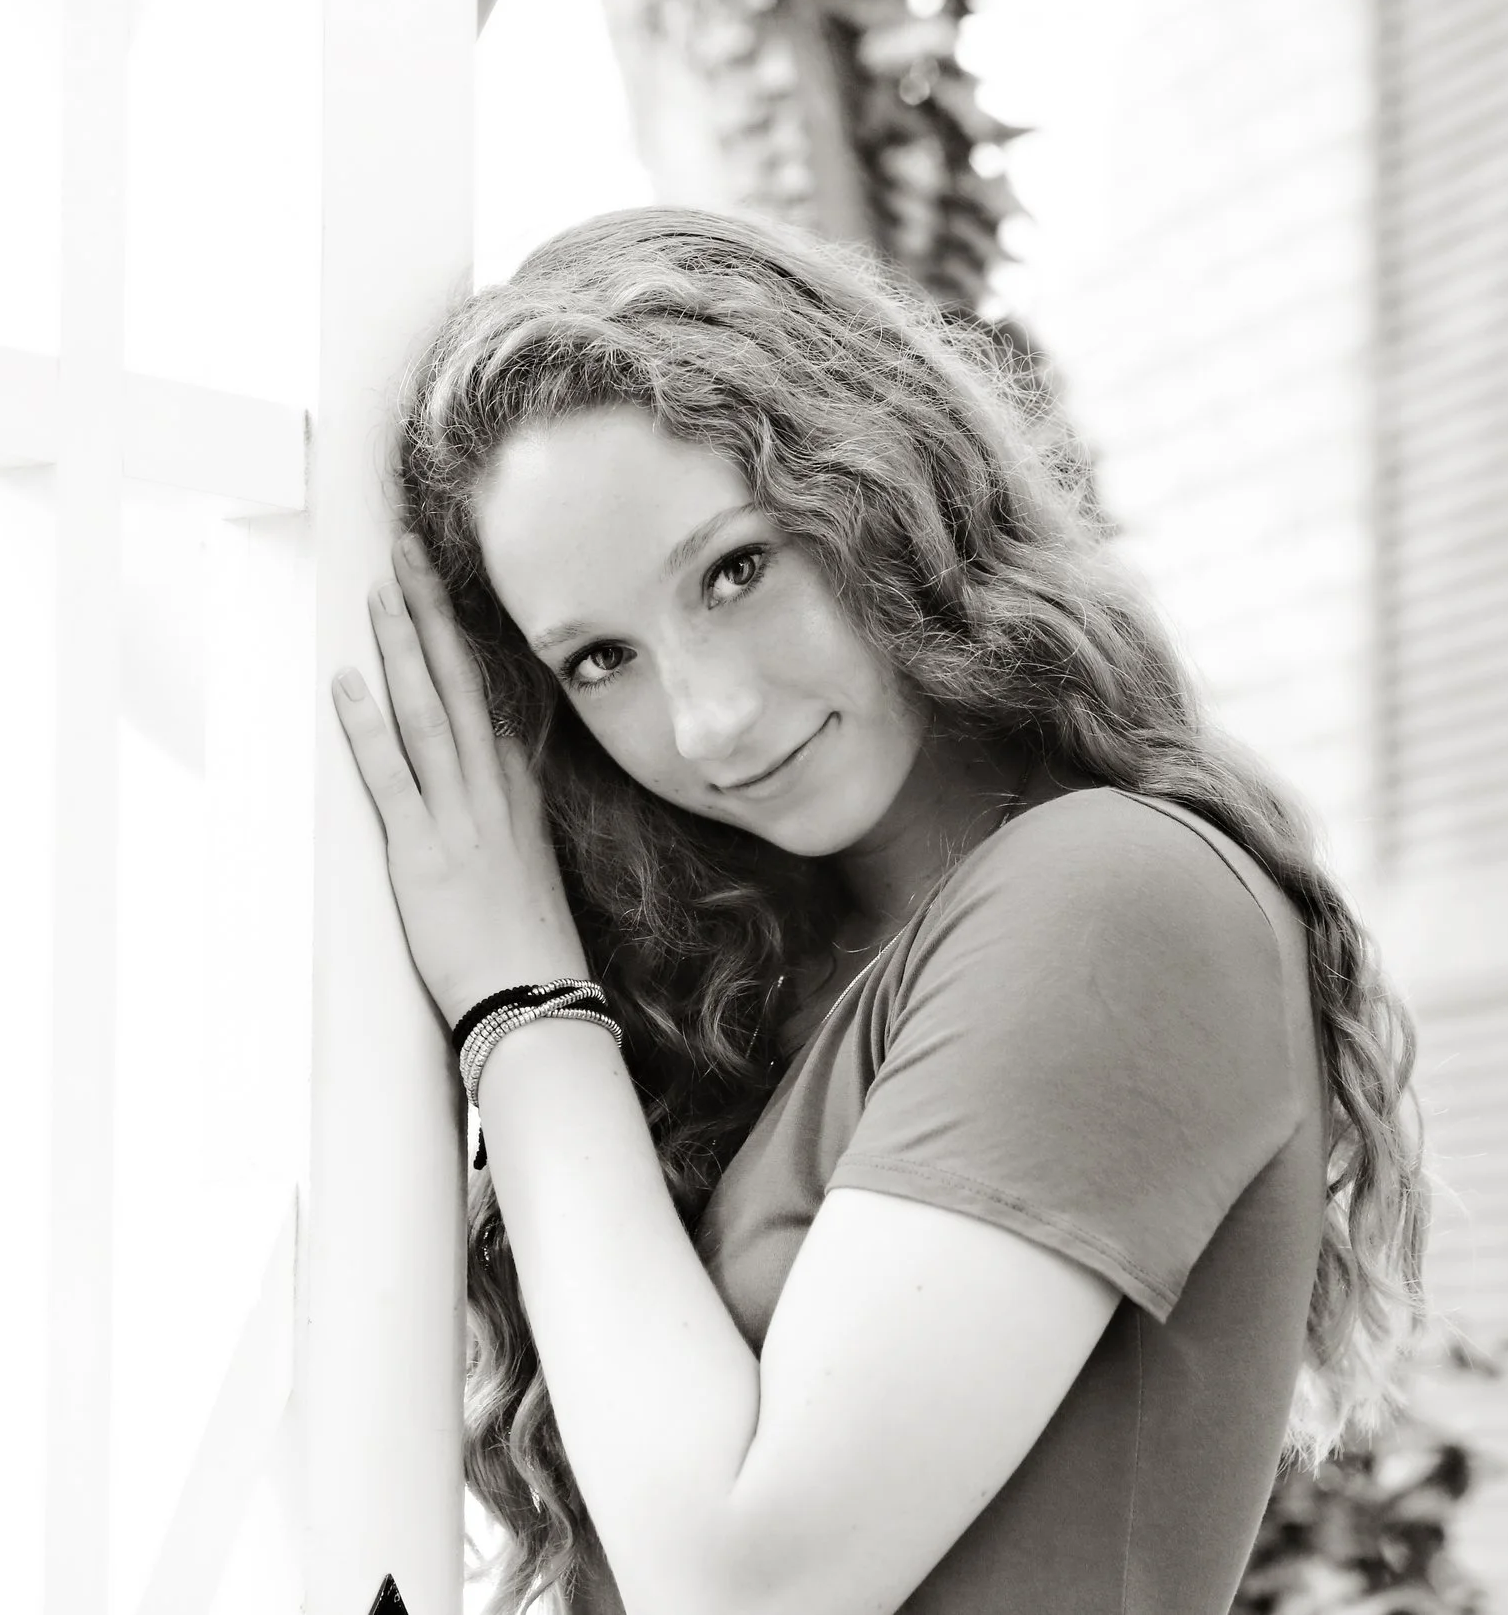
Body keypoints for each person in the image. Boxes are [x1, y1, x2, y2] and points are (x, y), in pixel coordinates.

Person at [330, 206, 1429, 1615]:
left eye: (736, 570)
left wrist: (523, 1009)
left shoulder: (1116, 899)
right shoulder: (768, 987)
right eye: (601, 660)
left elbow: (748, 1587)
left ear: (885, 488)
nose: (709, 717)